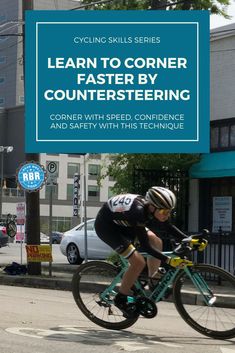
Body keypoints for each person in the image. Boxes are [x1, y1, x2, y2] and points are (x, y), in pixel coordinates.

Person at [94, 186, 192, 317]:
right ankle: (122, 297)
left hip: (123, 223)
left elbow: (167, 226)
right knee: (138, 262)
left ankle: (153, 280)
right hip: (107, 227)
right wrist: (167, 260)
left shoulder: (150, 208)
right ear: (152, 207)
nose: (167, 215)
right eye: (164, 211)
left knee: (156, 241)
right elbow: (146, 247)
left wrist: (188, 239)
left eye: (169, 211)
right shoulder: (138, 212)